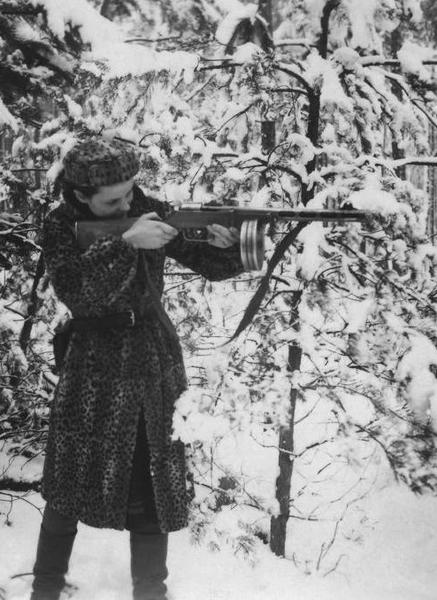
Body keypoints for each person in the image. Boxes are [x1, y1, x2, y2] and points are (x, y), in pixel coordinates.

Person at [31, 138, 244, 600]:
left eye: (131, 193)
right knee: (67, 488)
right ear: (80, 195)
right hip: (91, 363)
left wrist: (231, 244)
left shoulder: (148, 208)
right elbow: (79, 292)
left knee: (151, 486)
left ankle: (151, 593)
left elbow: (207, 261)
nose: (129, 203)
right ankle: (44, 590)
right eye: (114, 201)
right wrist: (126, 243)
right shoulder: (60, 223)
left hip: (152, 360)